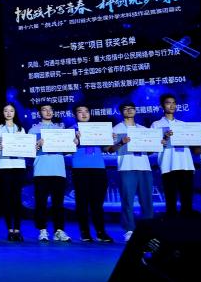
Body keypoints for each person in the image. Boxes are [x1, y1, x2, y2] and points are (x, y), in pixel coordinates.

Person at [28, 103, 71, 242]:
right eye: (44, 110)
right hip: (41, 170)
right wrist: (36, 145)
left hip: (58, 170)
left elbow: (67, 150)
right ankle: (42, 230)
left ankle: (59, 231)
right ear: (39, 113)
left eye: (50, 110)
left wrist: (73, 142)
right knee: (41, 203)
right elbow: (28, 152)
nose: (48, 112)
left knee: (58, 203)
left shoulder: (60, 130)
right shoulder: (33, 130)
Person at [113, 101, 154, 241]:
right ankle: (129, 229)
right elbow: (110, 149)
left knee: (147, 200)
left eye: (132, 108)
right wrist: (121, 142)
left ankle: (148, 229)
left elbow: (150, 151)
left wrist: (156, 144)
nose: (129, 111)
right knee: (127, 200)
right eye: (126, 109)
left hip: (144, 167)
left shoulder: (143, 129)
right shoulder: (116, 129)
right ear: (121, 112)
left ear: (135, 111)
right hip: (126, 167)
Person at [71, 104, 113, 243]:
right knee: (82, 202)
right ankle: (85, 232)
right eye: (80, 112)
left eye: (86, 111)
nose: (84, 114)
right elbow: (66, 149)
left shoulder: (98, 129)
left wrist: (112, 140)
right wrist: (75, 141)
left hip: (98, 168)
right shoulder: (71, 130)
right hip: (80, 169)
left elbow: (107, 149)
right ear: (75, 115)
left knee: (97, 203)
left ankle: (101, 232)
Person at [151, 94, 195, 217]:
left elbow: (193, 142)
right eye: (168, 103)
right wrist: (164, 138)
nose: (172, 105)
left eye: (174, 103)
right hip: (168, 165)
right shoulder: (156, 125)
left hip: (185, 164)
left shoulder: (183, 124)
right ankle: (172, 223)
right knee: (171, 199)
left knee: (187, 199)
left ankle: (187, 222)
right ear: (162, 106)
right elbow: (152, 146)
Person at [0, 104, 28, 242]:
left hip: (19, 165)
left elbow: (25, 147)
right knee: (6, 198)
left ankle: (17, 230)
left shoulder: (21, 129)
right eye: (6, 110)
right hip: (3, 165)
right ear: (2, 113)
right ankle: (9, 230)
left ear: (15, 113)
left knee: (17, 198)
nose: (8, 113)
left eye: (11, 111)